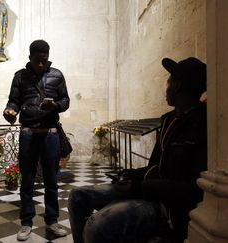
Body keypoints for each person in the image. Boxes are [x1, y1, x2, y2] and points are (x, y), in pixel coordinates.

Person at [68, 57, 207, 243]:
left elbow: (192, 188)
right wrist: (131, 174)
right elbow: (157, 167)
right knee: (77, 196)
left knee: (96, 225)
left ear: (178, 86)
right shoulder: (170, 121)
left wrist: (138, 187)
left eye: (168, 82)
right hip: (149, 190)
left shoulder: (202, 125)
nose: (165, 89)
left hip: (168, 205)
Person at [3, 39, 70, 241]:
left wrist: (55, 106)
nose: (41, 64)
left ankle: (51, 220)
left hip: (50, 133)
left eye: (45, 59)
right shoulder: (20, 76)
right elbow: (13, 100)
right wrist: (10, 111)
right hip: (28, 133)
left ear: (48, 56)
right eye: (37, 60)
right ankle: (26, 223)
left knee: (51, 180)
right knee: (27, 181)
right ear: (30, 56)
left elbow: (65, 100)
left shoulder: (57, 75)